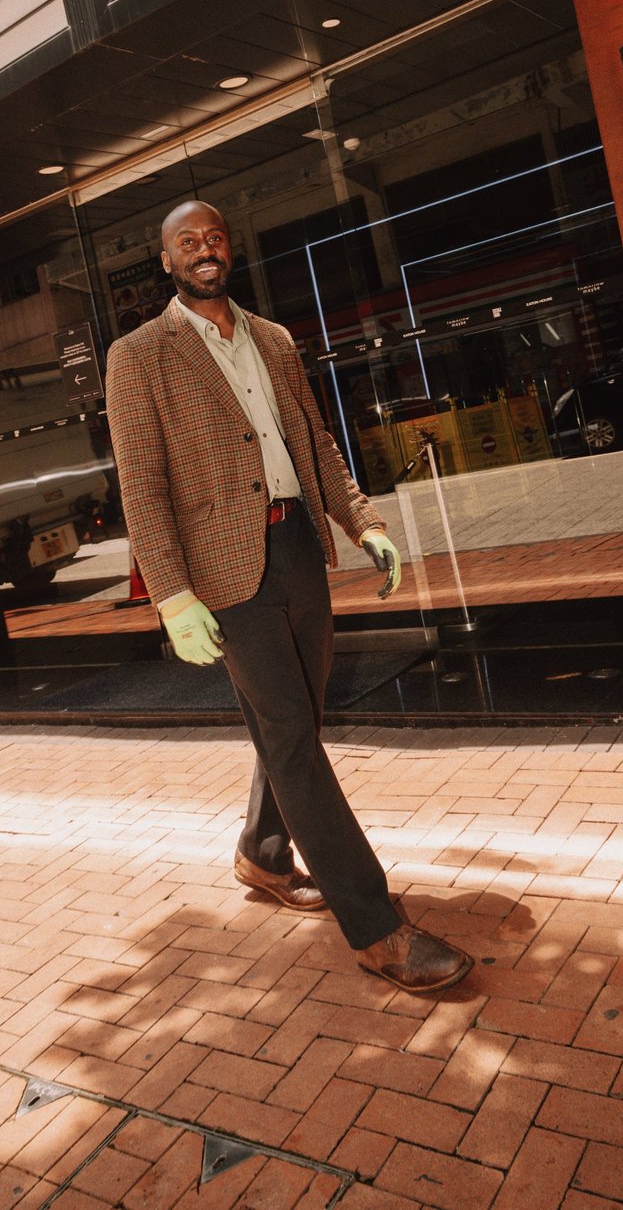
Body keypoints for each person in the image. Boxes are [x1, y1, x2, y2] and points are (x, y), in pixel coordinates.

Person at [104, 200, 472, 995]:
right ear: (165, 260)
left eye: (214, 239)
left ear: (228, 249)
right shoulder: (139, 356)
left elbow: (317, 443)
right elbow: (142, 485)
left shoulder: (272, 339)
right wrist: (171, 594)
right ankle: (376, 927)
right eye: (185, 243)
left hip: (300, 550)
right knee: (295, 740)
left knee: (296, 721)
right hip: (223, 578)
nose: (204, 251)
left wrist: (364, 522)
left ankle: (262, 854)